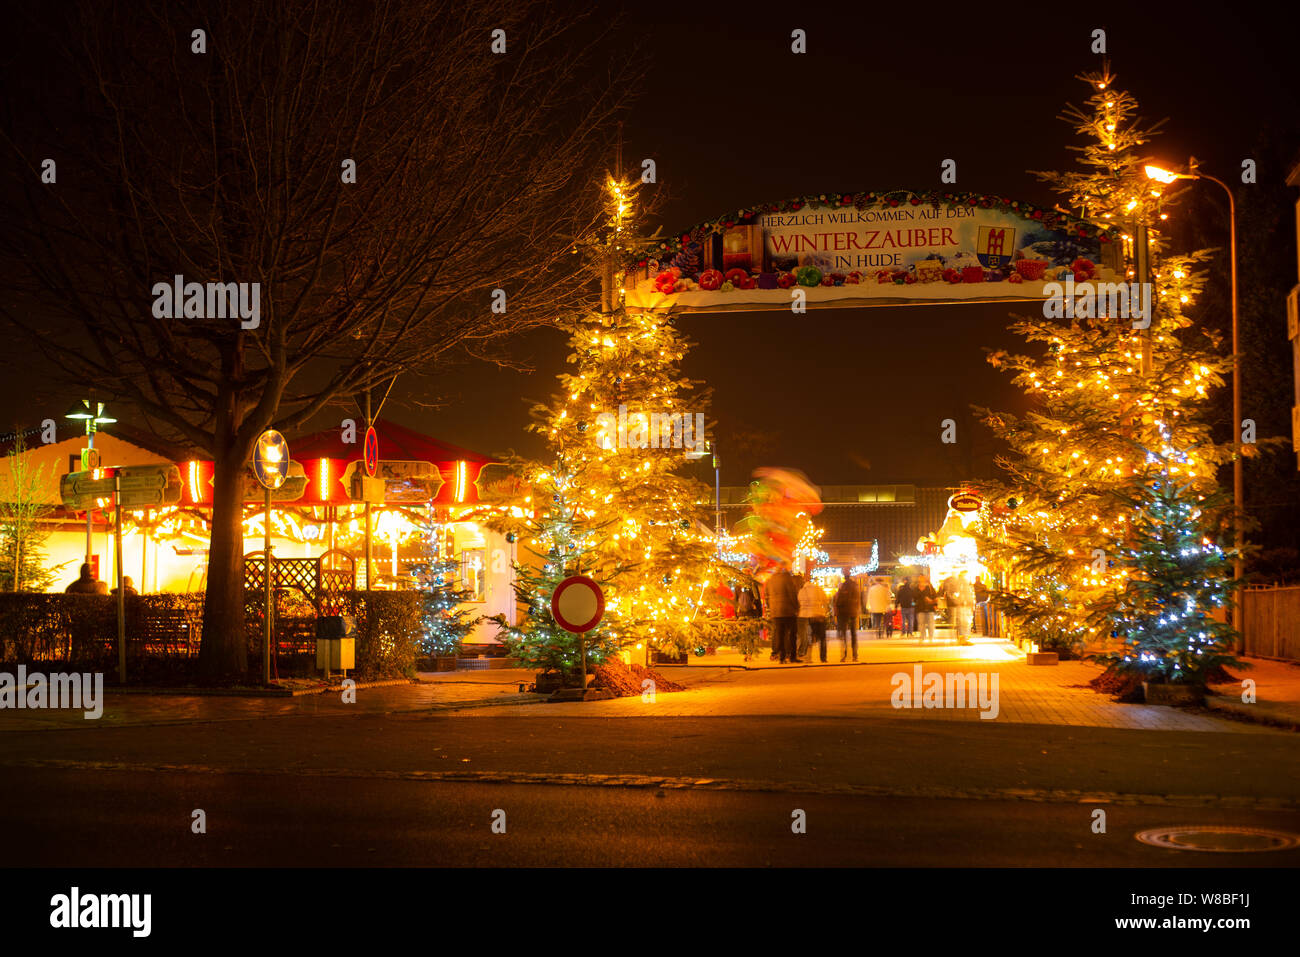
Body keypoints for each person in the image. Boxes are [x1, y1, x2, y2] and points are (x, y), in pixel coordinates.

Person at [765, 563, 800, 664]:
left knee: (779, 634)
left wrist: (771, 608)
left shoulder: (770, 580)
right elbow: (792, 593)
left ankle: (782, 657)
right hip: (788, 611)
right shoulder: (786, 578)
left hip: (775, 612)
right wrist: (796, 607)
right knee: (792, 634)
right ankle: (792, 657)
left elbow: (767, 596)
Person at [798, 576, 830, 663]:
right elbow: (825, 600)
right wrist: (824, 611)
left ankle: (808, 657)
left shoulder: (802, 591)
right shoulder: (818, 589)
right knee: (822, 638)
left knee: (810, 637)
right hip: (819, 615)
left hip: (807, 616)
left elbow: (799, 602)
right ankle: (823, 658)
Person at [833, 569, 861, 662]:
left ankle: (844, 655)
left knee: (844, 635)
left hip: (843, 613)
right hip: (852, 612)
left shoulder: (842, 586)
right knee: (853, 634)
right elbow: (858, 599)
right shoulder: (855, 585)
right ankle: (855, 655)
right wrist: (857, 610)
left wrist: (836, 612)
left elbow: (837, 600)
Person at [953, 571, 976, 644]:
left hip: (965, 606)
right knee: (965, 623)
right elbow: (964, 596)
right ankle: (964, 639)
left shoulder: (963, 586)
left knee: (965, 623)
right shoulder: (963, 586)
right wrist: (964, 602)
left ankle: (963, 638)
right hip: (964, 606)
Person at [914, 574, 938, 643]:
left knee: (931, 624)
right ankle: (922, 637)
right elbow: (914, 597)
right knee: (921, 624)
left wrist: (932, 602)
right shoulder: (916, 588)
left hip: (930, 608)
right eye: (919, 577)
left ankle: (931, 637)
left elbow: (935, 597)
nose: (920, 579)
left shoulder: (930, 587)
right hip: (920, 608)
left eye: (922, 577)